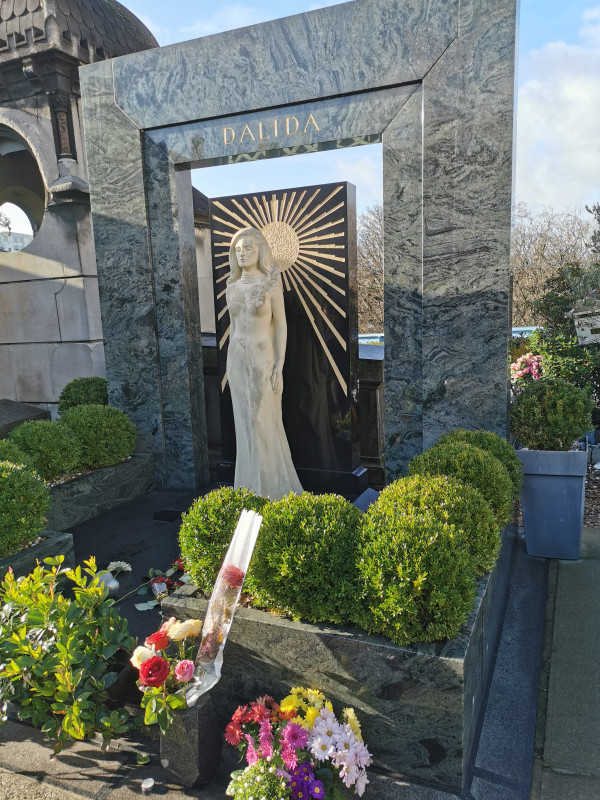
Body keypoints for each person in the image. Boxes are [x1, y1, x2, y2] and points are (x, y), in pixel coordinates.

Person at [225, 227, 303, 500]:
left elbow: (281, 325)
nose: (242, 253)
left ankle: (271, 490)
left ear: (260, 251)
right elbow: (234, 329)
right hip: (236, 361)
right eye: (238, 249)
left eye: (248, 248)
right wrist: (227, 366)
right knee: (244, 426)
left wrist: (279, 365)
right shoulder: (231, 287)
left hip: (262, 360)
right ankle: (247, 488)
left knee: (262, 422)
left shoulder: (271, 284)